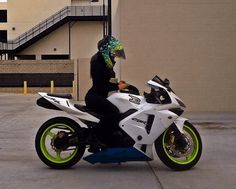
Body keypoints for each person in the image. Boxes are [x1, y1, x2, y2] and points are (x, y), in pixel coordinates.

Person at [85, 35, 128, 150]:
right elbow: (101, 86)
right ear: (107, 51)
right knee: (114, 112)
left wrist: (118, 85)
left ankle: (108, 140)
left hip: (98, 95)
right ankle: (95, 136)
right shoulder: (98, 63)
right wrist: (118, 86)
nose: (114, 56)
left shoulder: (101, 61)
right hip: (95, 96)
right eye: (113, 53)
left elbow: (103, 82)